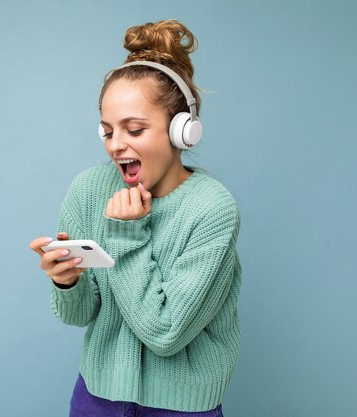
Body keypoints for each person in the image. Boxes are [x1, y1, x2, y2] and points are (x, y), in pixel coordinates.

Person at [29, 19, 242, 417]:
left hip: (180, 407)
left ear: (182, 132)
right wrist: (67, 280)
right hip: (97, 398)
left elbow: (165, 333)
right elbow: (80, 316)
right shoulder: (89, 190)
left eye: (135, 129)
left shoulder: (213, 209)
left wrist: (126, 235)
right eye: (108, 131)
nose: (117, 145)